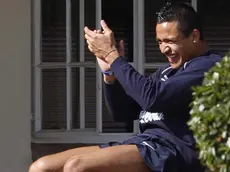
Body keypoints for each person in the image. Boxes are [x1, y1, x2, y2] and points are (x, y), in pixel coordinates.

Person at [29, 2, 222, 172]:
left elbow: (152, 98)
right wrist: (109, 73)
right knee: (41, 167)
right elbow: (123, 113)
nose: (164, 49)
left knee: (77, 167)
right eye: (160, 42)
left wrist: (113, 56)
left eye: (171, 41)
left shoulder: (208, 66)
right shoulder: (166, 73)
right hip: (144, 145)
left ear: (194, 36)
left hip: (171, 152)